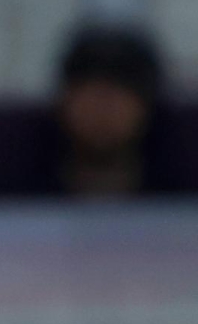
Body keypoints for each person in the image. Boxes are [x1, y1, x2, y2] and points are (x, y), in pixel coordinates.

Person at [50, 22, 167, 198]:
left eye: (115, 99)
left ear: (145, 107)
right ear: (64, 103)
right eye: (91, 97)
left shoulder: (187, 193)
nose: (101, 112)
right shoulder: (19, 191)